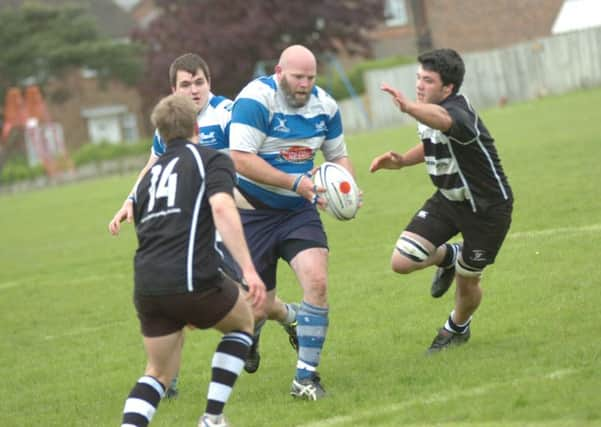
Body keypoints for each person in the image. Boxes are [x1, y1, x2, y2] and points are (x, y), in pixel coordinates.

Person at [108, 53, 298, 382]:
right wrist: (129, 200)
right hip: (193, 224)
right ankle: (166, 377)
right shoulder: (171, 125)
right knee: (177, 288)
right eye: (186, 84)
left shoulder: (227, 114)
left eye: (200, 82)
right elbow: (153, 165)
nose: (194, 90)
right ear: (174, 89)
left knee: (253, 300)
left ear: (209, 83)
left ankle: (286, 317)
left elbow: (251, 156)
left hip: (235, 219)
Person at [120, 94, 266, 427]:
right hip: (190, 278)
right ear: (196, 125)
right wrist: (247, 269)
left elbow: (146, 229)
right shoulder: (211, 159)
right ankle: (213, 418)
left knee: (158, 372)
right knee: (243, 322)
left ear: (160, 132)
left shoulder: (149, 176)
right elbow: (222, 209)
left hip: (147, 285)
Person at [229, 44, 359, 400]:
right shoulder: (255, 100)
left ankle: (305, 379)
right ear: (279, 71)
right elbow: (240, 159)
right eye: (298, 77)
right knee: (255, 305)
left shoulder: (326, 107)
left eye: (311, 77)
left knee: (316, 281)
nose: (304, 84)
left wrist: (348, 187)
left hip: (299, 211)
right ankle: (257, 331)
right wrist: (295, 182)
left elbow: (338, 156)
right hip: (251, 213)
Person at [369, 48, 513, 353]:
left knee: (467, 282)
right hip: (449, 200)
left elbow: (444, 122)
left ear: (448, 88)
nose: (420, 85)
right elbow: (433, 140)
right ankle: (451, 256)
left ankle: (456, 328)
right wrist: (403, 161)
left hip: (486, 209)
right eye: (419, 78)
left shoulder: (456, 112)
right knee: (401, 261)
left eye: (428, 80)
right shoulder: (430, 108)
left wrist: (408, 107)